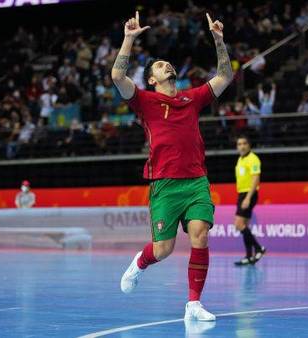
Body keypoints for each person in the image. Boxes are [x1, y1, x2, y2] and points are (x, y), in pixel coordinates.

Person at [113, 12, 233, 322]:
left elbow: (225, 77)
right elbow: (116, 76)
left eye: (168, 64)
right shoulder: (144, 101)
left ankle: (193, 303)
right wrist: (128, 38)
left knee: (200, 236)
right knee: (163, 249)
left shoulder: (192, 99)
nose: (167, 65)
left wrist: (219, 41)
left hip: (195, 181)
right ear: (152, 79)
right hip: (165, 183)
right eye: (159, 65)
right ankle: (140, 262)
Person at [233, 135, 266, 266]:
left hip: (249, 193)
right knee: (243, 225)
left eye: (244, 143)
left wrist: (248, 197)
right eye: (239, 144)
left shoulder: (253, 159)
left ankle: (258, 248)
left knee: (238, 224)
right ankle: (248, 256)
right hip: (242, 193)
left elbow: (255, 178)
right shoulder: (240, 159)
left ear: (249, 145)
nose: (242, 146)